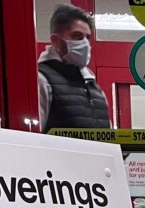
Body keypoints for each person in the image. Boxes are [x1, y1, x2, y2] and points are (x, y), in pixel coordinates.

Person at [38, 5, 110, 133]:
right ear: (55, 41)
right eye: (77, 36)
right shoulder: (41, 80)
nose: (85, 44)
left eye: (87, 38)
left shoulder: (94, 88)